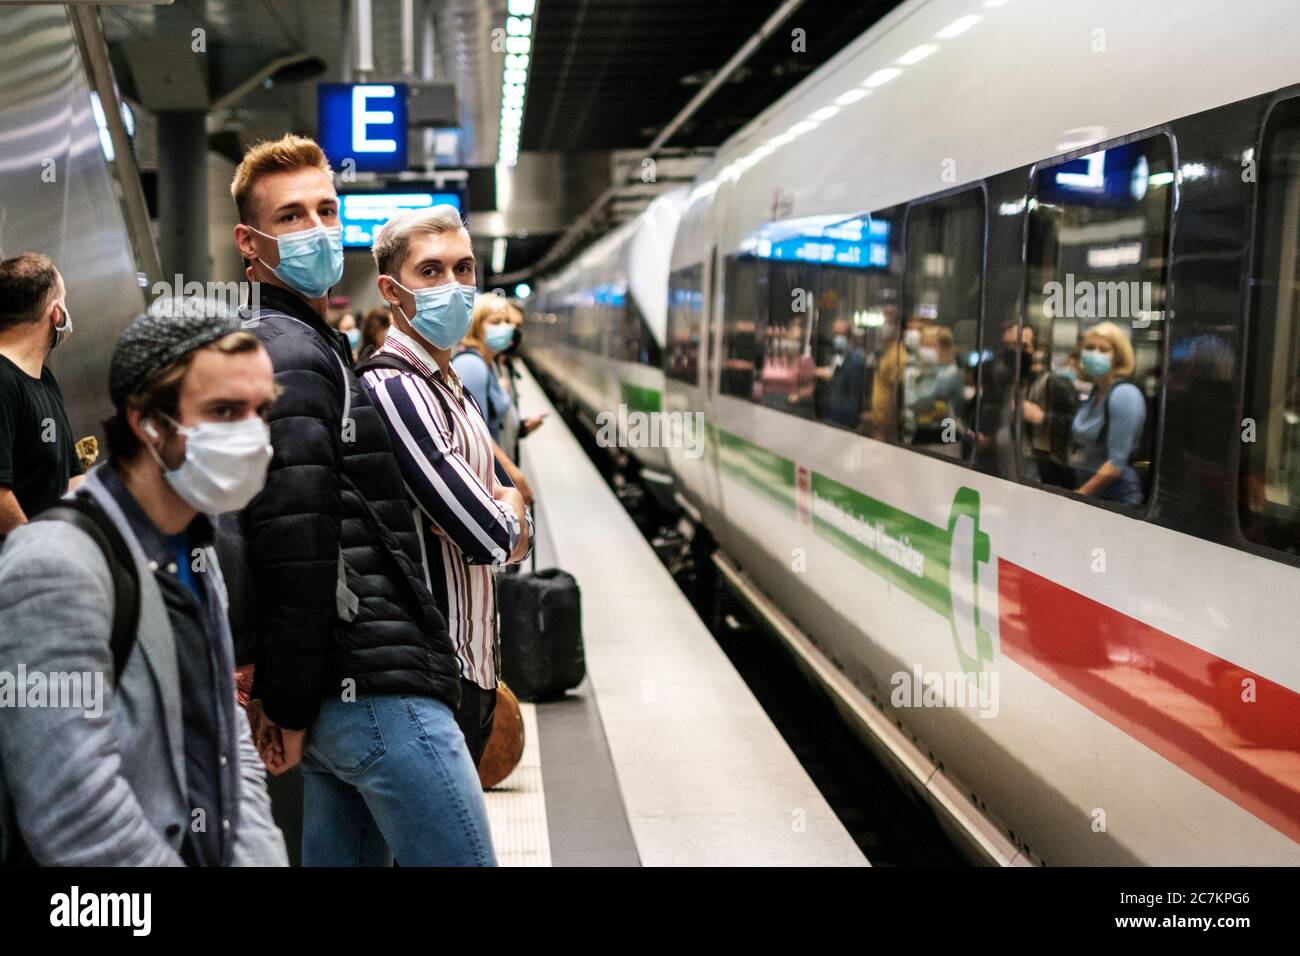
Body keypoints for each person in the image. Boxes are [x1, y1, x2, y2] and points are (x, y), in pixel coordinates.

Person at [228, 134, 494, 866]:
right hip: (376, 689)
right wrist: (280, 700)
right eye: (291, 217)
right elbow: (293, 533)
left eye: (326, 209)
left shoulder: (301, 342)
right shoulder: (291, 352)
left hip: (338, 698)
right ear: (249, 242)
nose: (317, 229)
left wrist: (290, 698)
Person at [0, 302, 287, 866]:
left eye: (261, 411)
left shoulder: (196, 546)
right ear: (147, 421)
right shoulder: (55, 565)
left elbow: (229, 744)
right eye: (225, 411)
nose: (252, 436)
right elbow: (75, 810)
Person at [360, 208, 532, 765]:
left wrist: (507, 512)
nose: (453, 286)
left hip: (473, 665)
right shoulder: (397, 389)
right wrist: (506, 513)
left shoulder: (451, 385)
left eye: (464, 269)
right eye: (430, 272)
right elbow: (489, 537)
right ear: (391, 289)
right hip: (434, 678)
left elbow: (504, 518)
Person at [0, 252, 83, 536]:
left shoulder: (44, 380)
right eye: (65, 300)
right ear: (56, 313)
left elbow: (71, 479)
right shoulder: (3, 382)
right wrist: (35, 549)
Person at [453, 293, 535, 500]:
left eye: (508, 321)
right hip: (489, 481)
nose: (506, 328)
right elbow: (477, 434)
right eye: (496, 322)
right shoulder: (472, 366)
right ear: (476, 326)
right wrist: (515, 477)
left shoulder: (488, 364)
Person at [1071, 321, 1146, 506]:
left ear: (1117, 357)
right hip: (1095, 496)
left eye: (1103, 350)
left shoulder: (1124, 394)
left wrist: (1080, 494)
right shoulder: (1096, 392)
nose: (1095, 354)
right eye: (1089, 348)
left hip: (1118, 500)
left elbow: (1116, 463)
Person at [1021, 348, 1080, 488]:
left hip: (1058, 460)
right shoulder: (1029, 384)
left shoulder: (1056, 384)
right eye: (1032, 363)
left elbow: (1074, 423)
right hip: (1038, 455)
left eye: (1039, 362)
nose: (1035, 367)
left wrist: (1044, 418)